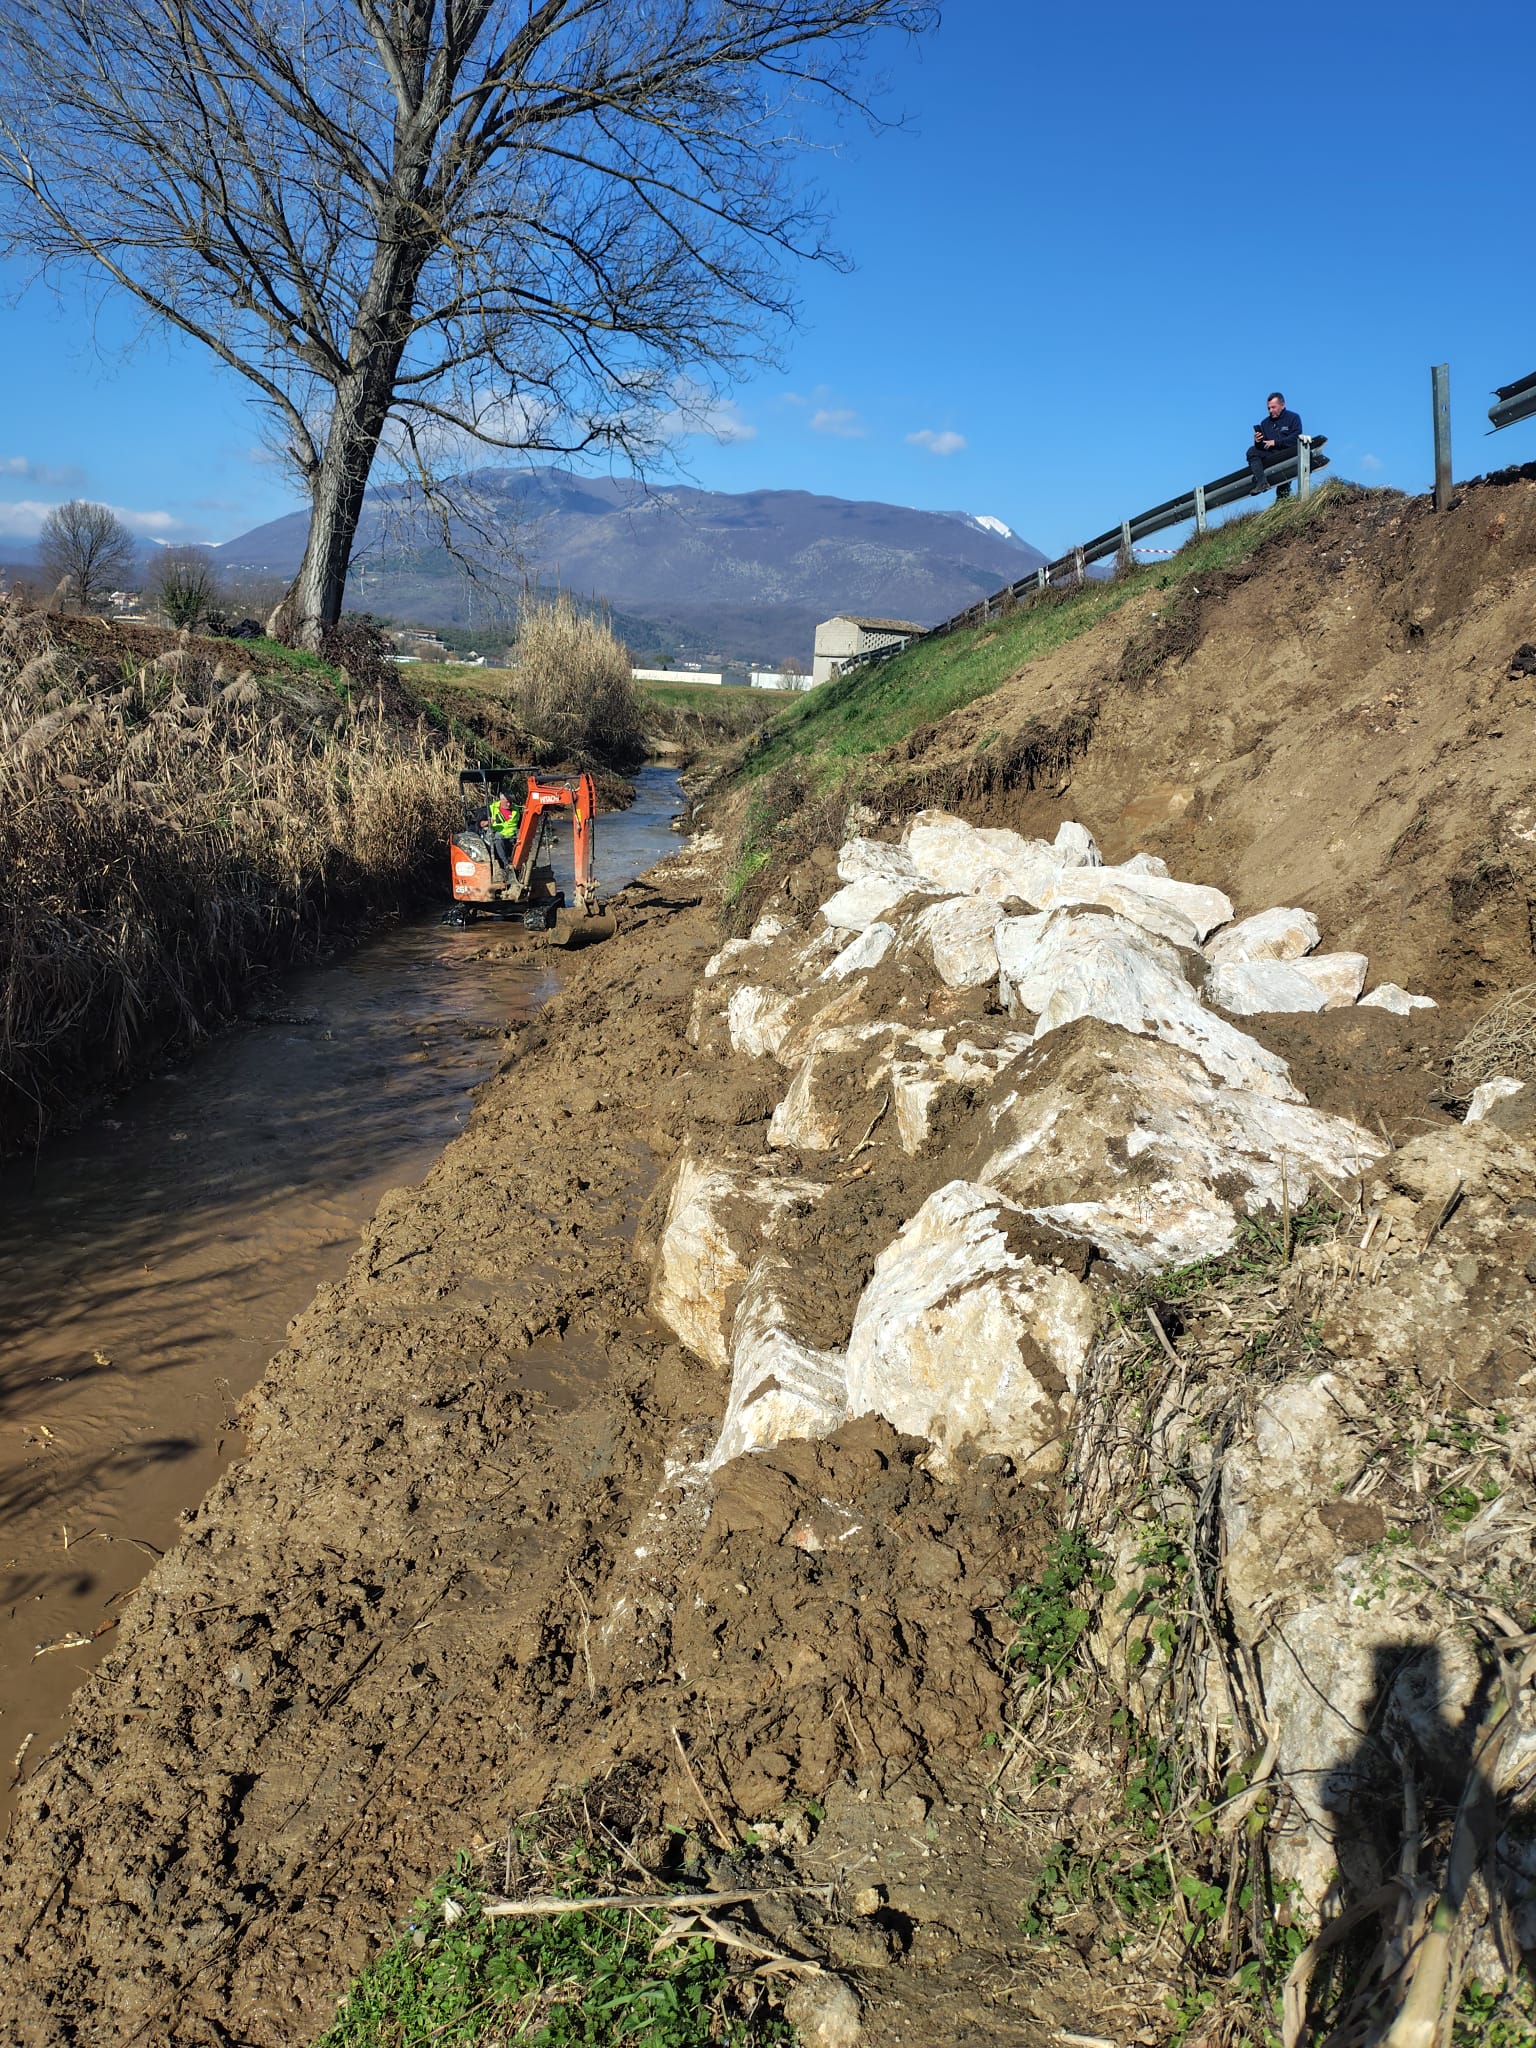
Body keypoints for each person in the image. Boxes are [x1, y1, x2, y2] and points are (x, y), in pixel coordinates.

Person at [1247, 391, 1302, 496]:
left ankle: (1285, 500)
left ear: (1282, 405)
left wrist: (1276, 442)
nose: (1270, 411)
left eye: (1273, 407)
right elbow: (1263, 446)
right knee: (1252, 451)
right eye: (1268, 408)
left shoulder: (1293, 417)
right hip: (1272, 455)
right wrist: (1257, 441)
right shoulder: (1265, 423)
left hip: (1288, 454)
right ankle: (1262, 483)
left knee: (1282, 491)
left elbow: (1296, 437)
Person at [487, 790, 521, 871]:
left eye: (510, 802)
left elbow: (521, 823)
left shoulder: (516, 810)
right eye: (507, 802)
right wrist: (489, 821)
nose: (509, 804)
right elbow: (480, 824)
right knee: (498, 837)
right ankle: (506, 864)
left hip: (513, 835)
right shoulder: (492, 808)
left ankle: (520, 862)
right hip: (499, 835)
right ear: (501, 800)